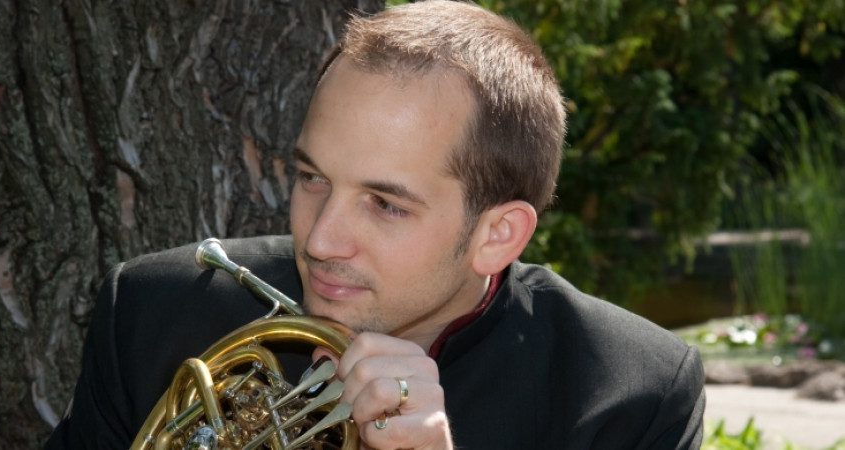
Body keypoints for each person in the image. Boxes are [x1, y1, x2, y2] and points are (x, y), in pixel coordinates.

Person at [45, 1, 705, 449]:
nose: (320, 240)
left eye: (385, 204)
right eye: (313, 178)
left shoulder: (629, 396)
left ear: (496, 234)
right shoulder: (153, 312)